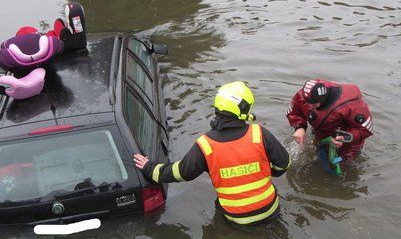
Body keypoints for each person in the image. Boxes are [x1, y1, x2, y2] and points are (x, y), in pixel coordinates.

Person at [134, 81, 291, 225]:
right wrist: (270, 172)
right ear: (243, 109)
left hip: (236, 219)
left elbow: (181, 173)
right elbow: (285, 163)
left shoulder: (205, 144)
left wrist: (149, 167)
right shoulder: (260, 133)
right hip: (271, 210)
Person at [286, 79, 373, 161]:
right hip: (322, 132)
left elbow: (366, 129)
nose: (310, 107)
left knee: (344, 163)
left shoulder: (351, 104)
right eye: (308, 103)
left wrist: (345, 138)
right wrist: (300, 127)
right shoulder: (303, 95)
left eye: (314, 103)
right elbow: (294, 113)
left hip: (346, 141)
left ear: (323, 98)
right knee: (318, 158)